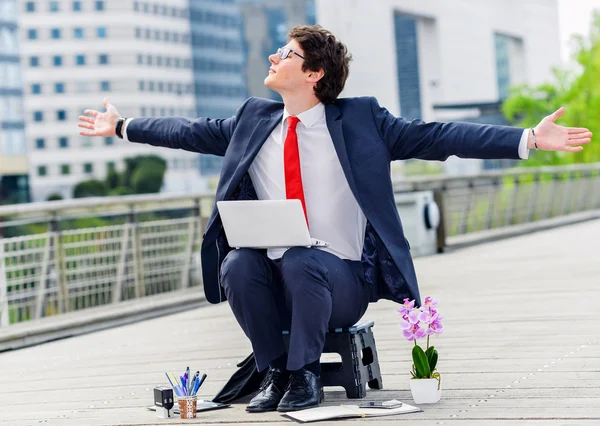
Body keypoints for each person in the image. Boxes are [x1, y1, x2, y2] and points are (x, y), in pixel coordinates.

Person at [78, 25, 592, 413]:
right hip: (274, 278)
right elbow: (186, 130)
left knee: (305, 260)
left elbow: (440, 137)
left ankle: (304, 376)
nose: (276, 56)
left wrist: (525, 139)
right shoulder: (252, 120)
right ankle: (275, 371)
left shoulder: (363, 120)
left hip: (342, 280)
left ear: (314, 73)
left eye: (289, 54)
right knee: (237, 264)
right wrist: (121, 125)